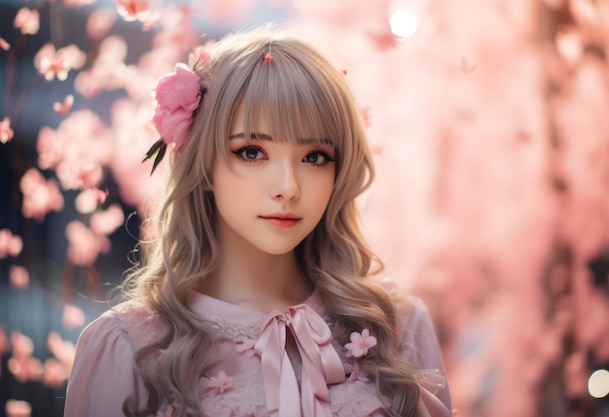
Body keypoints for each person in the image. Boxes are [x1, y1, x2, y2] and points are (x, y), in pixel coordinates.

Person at [64, 27, 453, 417]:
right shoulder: (128, 348)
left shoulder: (398, 327)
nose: (287, 187)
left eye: (315, 156)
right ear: (204, 164)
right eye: (252, 152)